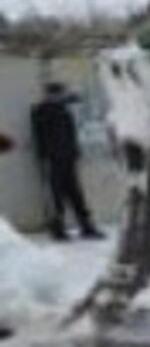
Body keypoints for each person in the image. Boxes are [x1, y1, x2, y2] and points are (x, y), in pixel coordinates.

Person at [30, 82, 103, 240]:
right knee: (55, 195)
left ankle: (86, 226)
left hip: (68, 158)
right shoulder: (41, 111)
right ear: (49, 95)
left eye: (61, 94)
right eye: (58, 94)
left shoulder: (64, 111)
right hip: (52, 159)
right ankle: (58, 229)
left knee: (76, 193)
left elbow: (71, 134)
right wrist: (44, 157)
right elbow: (40, 135)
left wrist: (75, 153)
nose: (61, 97)